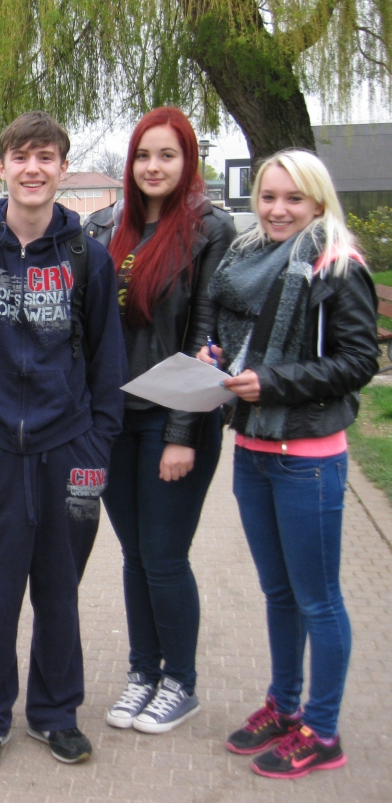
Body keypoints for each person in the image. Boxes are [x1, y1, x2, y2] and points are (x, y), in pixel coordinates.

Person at [0, 111, 126, 771]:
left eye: (46, 157)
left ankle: (55, 712)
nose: (33, 168)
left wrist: (95, 448)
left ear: (62, 168)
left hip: (71, 454)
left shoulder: (88, 258)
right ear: (2, 166)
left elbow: (108, 364)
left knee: (60, 592)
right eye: (21, 156)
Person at [197, 149, 377, 778]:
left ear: (318, 202)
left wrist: (271, 382)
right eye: (268, 197)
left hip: (308, 459)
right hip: (252, 450)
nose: (277, 210)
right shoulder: (246, 260)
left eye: (293, 199)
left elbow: (359, 361)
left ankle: (322, 731)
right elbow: (241, 343)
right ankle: (284, 705)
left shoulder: (337, 266)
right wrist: (217, 359)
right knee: (278, 593)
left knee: (317, 599)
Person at [83, 108, 236, 734]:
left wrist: (180, 435)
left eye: (167, 155)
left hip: (175, 419)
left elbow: (206, 335)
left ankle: (180, 683)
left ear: (187, 161)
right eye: (144, 155)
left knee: (165, 556)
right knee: (133, 555)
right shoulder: (103, 228)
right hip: (115, 421)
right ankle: (142, 673)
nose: (153, 166)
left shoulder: (209, 230)